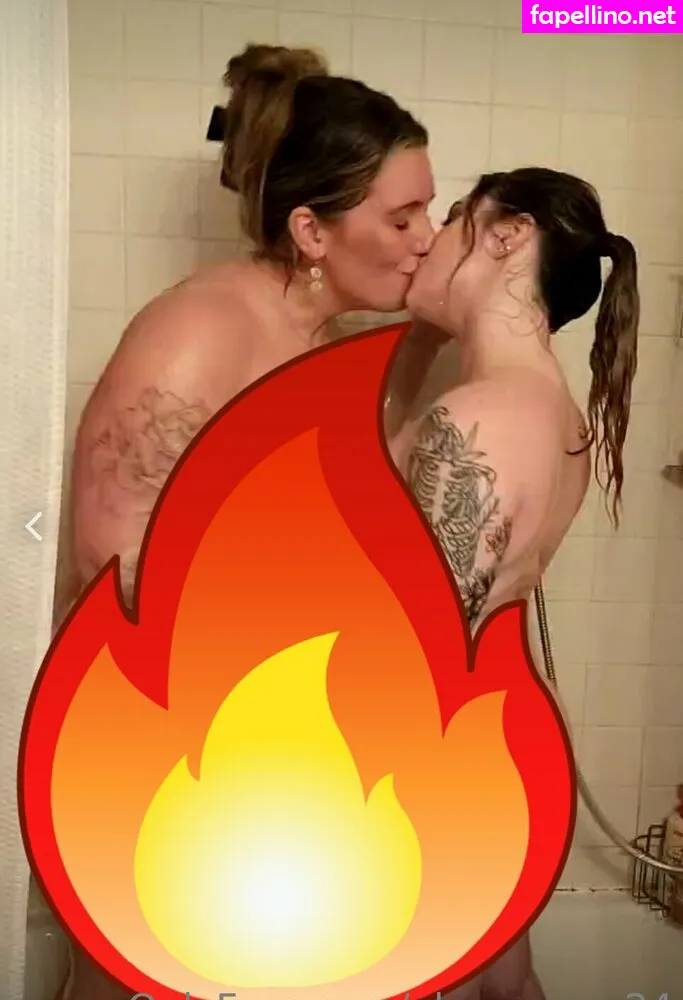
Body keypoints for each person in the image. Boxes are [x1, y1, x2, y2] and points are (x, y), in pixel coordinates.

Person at [56, 41, 438, 1000]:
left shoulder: (320, 346)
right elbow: (112, 562)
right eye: (402, 217)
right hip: (148, 739)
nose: (425, 238)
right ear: (311, 231)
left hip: (252, 746)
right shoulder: (202, 329)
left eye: (428, 212)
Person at [389, 166, 640, 999]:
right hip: (496, 757)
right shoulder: (545, 410)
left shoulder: (480, 418)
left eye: (453, 217)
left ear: (506, 234)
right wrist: (419, 339)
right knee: (505, 981)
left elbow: (420, 649)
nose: (427, 238)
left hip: (444, 772)